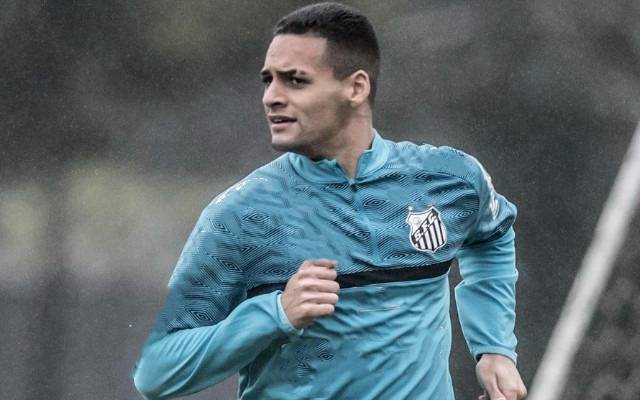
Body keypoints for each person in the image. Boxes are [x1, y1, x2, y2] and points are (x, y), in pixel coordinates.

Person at [133, 2, 527, 399]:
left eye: (295, 81)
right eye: (268, 80)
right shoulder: (242, 216)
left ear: (356, 88)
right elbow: (157, 371)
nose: (271, 97)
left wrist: (493, 348)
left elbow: (491, 237)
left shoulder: (448, 180)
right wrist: (275, 314)